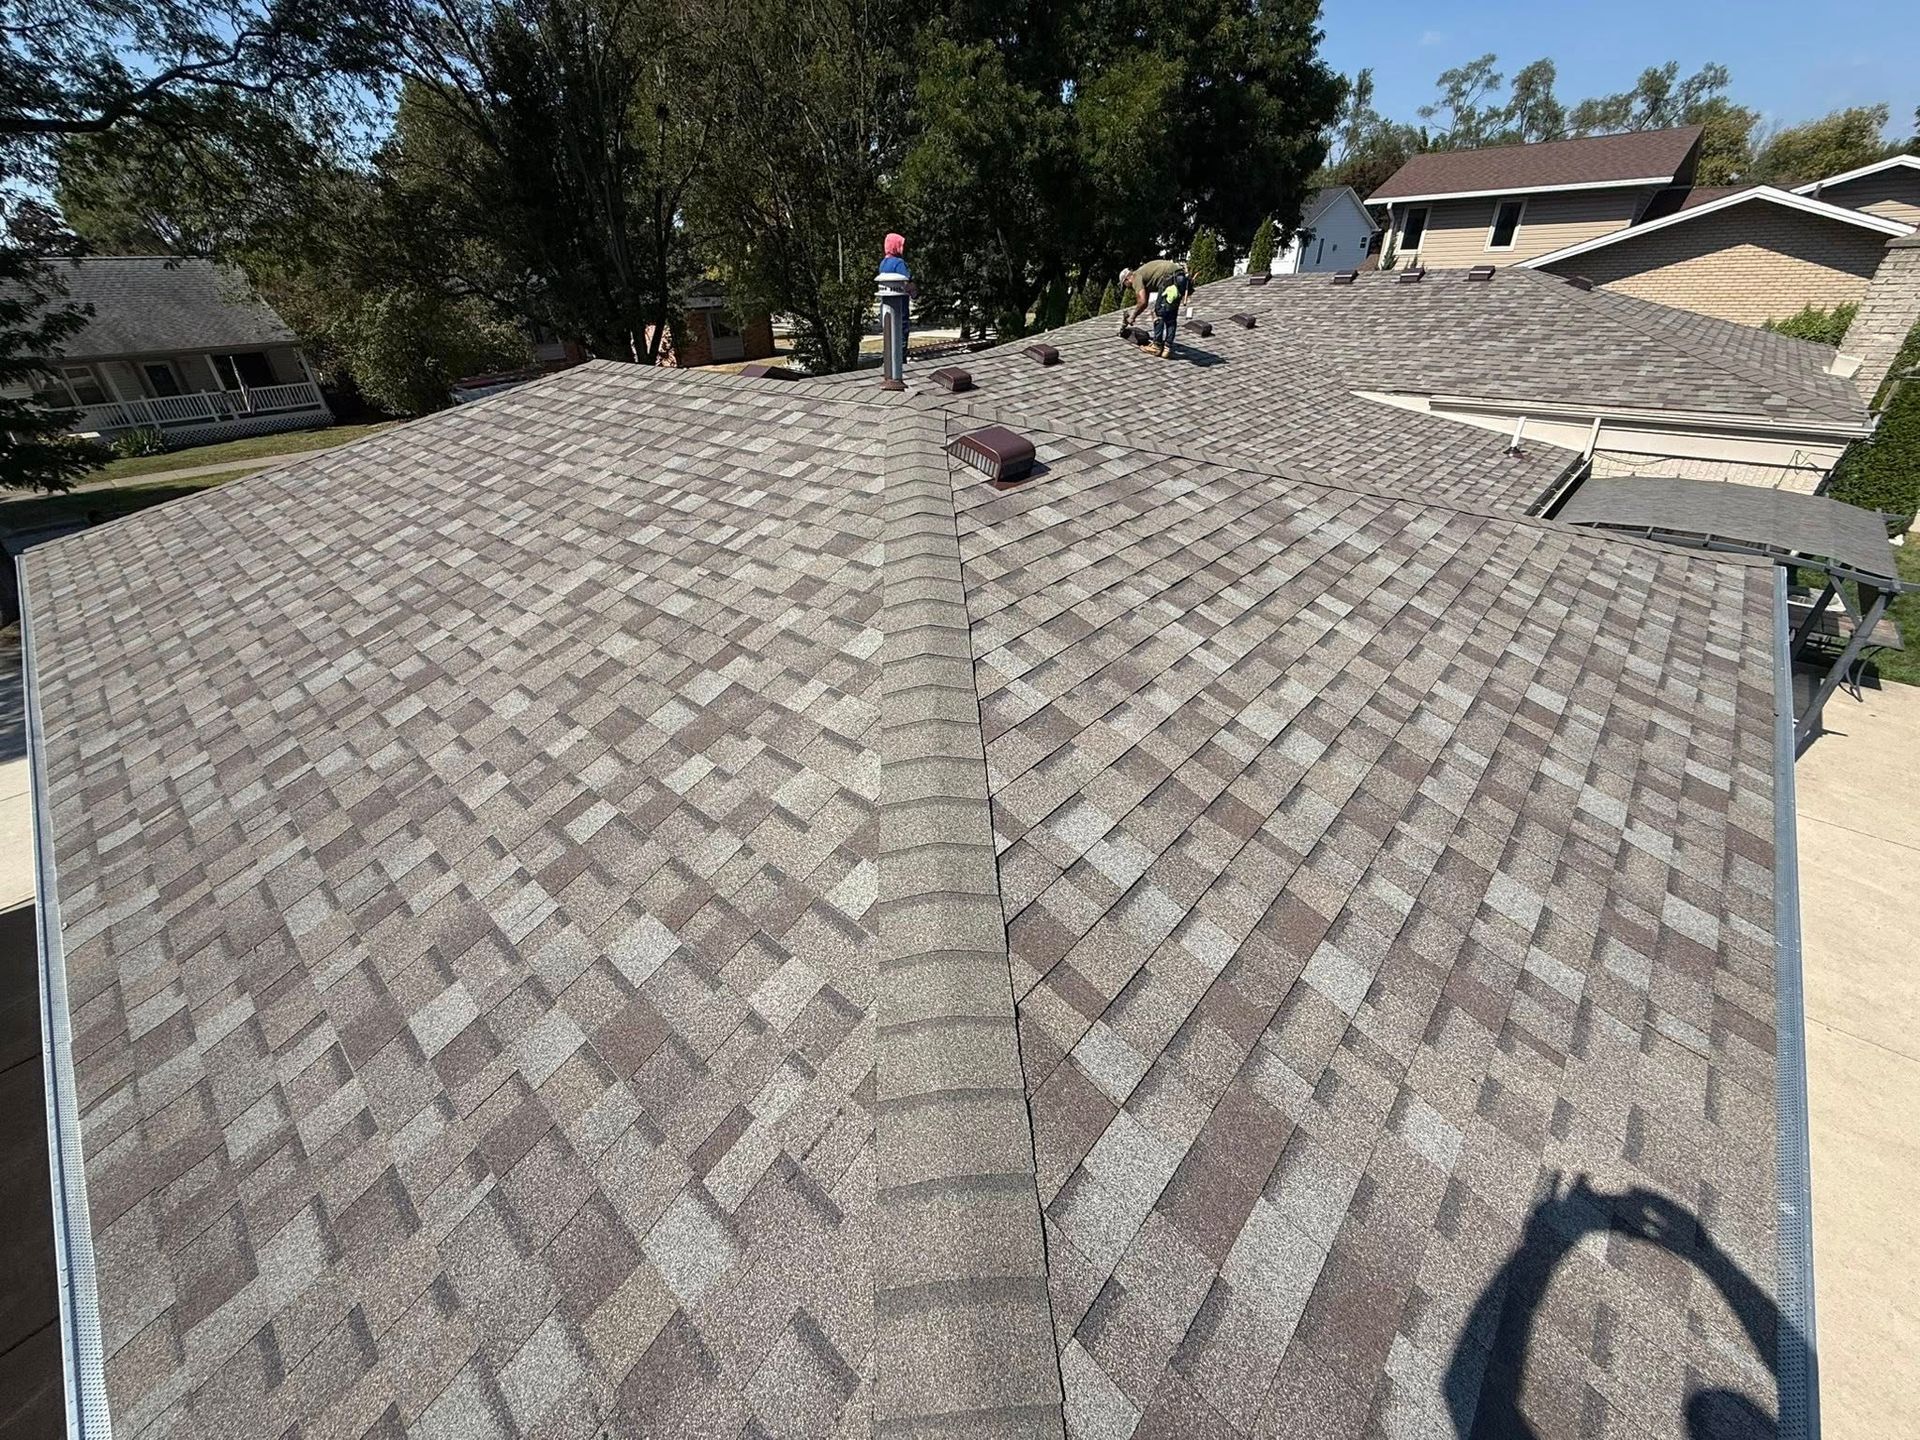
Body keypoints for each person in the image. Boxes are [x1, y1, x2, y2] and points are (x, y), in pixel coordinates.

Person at [1119, 258, 1191, 358]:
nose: (1128, 288)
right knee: (1171, 316)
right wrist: (1134, 315)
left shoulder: (1136, 277)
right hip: (1180, 278)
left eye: (1125, 285)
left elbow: (1142, 302)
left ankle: (1157, 346)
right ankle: (1167, 348)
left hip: (1169, 278)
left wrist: (1133, 316)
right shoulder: (1145, 276)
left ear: (1127, 279)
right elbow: (1145, 303)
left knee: (1158, 313)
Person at [878, 232, 911, 347]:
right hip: (900, 304)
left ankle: (890, 358)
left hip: (886, 305)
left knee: (889, 331)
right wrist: (914, 292)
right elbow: (906, 281)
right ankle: (901, 358)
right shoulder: (899, 263)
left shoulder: (883, 263)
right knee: (901, 329)